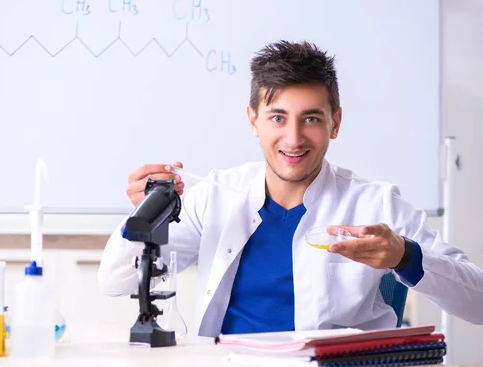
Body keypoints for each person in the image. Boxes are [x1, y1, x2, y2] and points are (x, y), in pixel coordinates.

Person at [97, 40, 483, 338]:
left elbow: (478, 302)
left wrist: (405, 256)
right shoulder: (214, 196)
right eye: (277, 117)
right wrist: (146, 213)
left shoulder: (375, 203)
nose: (294, 138)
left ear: (336, 122)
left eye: (311, 118)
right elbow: (115, 282)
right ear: (254, 120)